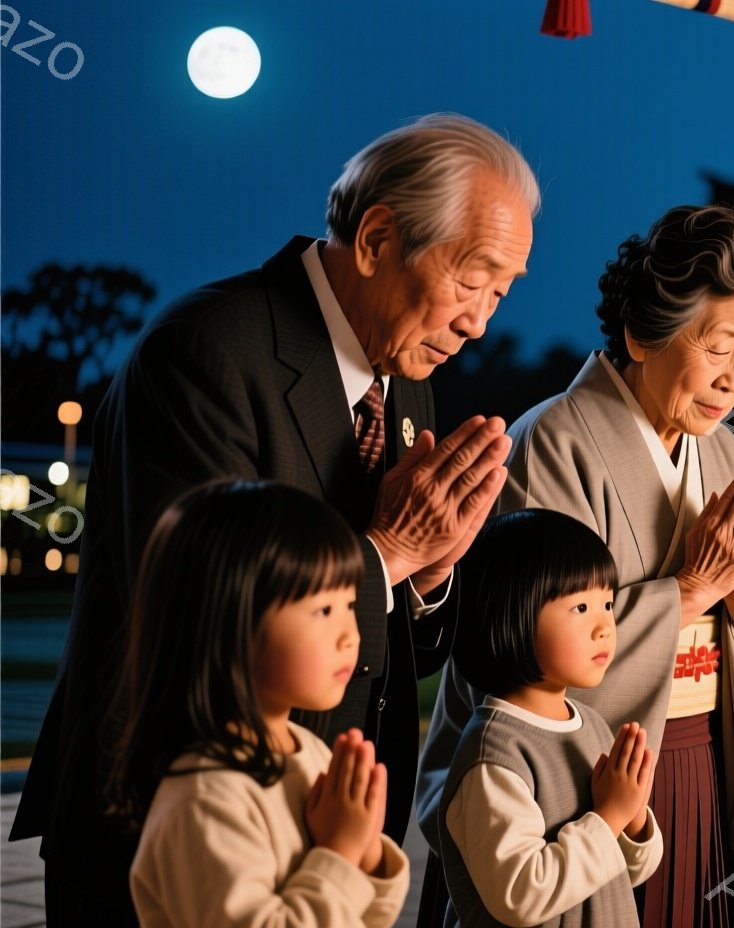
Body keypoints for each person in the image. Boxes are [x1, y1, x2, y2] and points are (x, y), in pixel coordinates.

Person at [12, 112, 536, 924]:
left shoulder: (406, 373)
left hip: (333, 838)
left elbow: (394, 648)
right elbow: (198, 614)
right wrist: (392, 553)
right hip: (175, 828)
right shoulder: (205, 349)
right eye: (472, 280)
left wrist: (432, 574)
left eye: (502, 292)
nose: (479, 322)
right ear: (375, 240)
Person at [417, 205, 734, 928]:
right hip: (573, 777)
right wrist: (692, 591)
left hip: (695, 757)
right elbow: (528, 638)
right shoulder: (555, 443)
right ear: (641, 333)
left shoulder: (723, 448)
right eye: (719, 345)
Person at [109, 480, 410, 927]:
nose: (351, 635)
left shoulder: (307, 750)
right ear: (229, 622)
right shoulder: (204, 799)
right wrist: (340, 853)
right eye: (323, 610)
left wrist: (365, 850)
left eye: (349, 604)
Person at [433, 509, 664, 927]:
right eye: (580, 607)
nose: (604, 627)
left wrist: (632, 820)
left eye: (607, 603)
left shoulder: (590, 724)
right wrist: (608, 815)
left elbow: (627, 871)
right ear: (512, 613)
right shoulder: (494, 756)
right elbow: (522, 895)